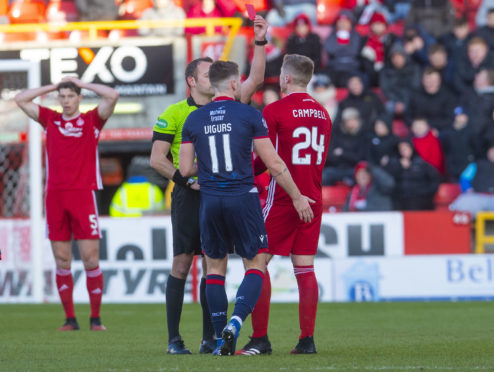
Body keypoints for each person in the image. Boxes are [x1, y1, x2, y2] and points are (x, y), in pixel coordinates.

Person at [149, 16, 269, 355]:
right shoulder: (174, 113)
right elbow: (158, 158)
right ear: (192, 81)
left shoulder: (231, 102)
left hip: (220, 194)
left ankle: (211, 337)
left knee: (212, 264)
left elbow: (257, 77)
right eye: (206, 73)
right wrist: (186, 180)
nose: (212, 77)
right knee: (183, 264)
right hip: (191, 195)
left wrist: (259, 41)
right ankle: (174, 340)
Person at [179, 59, 314, 356]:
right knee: (255, 263)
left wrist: (210, 170)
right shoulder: (249, 115)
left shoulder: (194, 119)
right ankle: (237, 323)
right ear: (233, 83)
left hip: (211, 200)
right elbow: (274, 163)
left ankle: (217, 336)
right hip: (243, 197)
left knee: (213, 268)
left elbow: (186, 168)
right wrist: (296, 196)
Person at [236, 54, 332, 355]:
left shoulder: (275, 110)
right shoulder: (323, 113)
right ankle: (307, 340)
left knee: (257, 262)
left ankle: (260, 338)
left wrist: (239, 175)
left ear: (285, 79)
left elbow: (267, 158)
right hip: (313, 197)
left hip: (283, 198)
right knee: (304, 268)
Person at [14, 77, 119, 331]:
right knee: (62, 260)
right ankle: (70, 319)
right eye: (62, 96)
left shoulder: (92, 120)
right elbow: (20, 99)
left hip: (83, 195)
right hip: (55, 197)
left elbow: (112, 96)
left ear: (79, 98)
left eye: (71, 96)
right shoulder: (50, 119)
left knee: (90, 259)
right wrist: (54, 86)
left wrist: (81, 82)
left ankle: (96, 319)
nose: (66, 100)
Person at [384, 139, 440, 210]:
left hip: (419, 200)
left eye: (406, 148)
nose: (403, 151)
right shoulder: (393, 164)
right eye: (401, 148)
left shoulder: (422, 164)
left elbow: (435, 179)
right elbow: (387, 181)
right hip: (399, 200)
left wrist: (424, 193)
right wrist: (399, 166)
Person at [450, 145, 494, 218]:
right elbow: (464, 178)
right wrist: (468, 189)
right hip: (477, 196)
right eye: (492, 151)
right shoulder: (476, 165)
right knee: (464, 202)